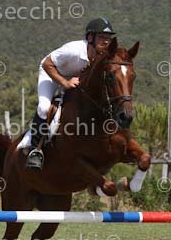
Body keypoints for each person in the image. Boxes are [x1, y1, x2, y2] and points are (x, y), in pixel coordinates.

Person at [25, 18, 116, 170]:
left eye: (108, 38)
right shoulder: (73, 50)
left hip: (74, 78)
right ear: (90, 38)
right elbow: (47, 64)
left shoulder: (102, 56)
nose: (106, 41)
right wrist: (64, 83)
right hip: (51, 73)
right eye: (101, 37)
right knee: (44, 108)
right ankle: (35, 150)